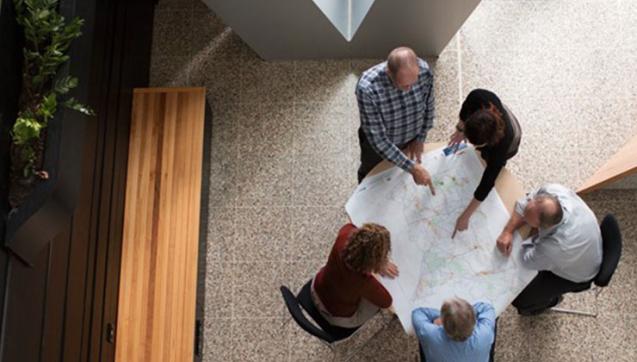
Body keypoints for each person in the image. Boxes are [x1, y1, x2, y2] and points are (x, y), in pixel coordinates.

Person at [496, 183, 603, 315]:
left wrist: (524, 233)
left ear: (541, 227)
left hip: (580, 273)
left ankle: (551, 301)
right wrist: (508, 231)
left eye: (528, 221)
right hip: (584, 247)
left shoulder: (555, 247)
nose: (523, 217)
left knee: (520, 299)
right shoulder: (554, 191)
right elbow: (523, 203)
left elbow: (526, 260)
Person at [355, 46, 436, 193]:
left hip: (411, 137)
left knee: (394, 177)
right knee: (370, 173)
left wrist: (420, 137)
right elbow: (378, 139)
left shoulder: (424, 71)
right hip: (378, 146)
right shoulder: (367, 88)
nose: (410, 89)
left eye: (414, 82)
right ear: (389, 73)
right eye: (404, 85)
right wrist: (413, 168)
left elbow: (429, 106)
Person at [449, 89, 522, 238]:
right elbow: (465, 111)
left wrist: (465, 216)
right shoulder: (478, 97)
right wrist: (460, 130)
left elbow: (487, 183)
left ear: (488, 143)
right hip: (497, 115)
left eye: (475, 145)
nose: (471, 146)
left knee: (492, 165)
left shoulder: (501, 146)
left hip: (511, 136)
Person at [311, 223, 399, 328]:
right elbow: (386, 301)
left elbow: (352, 225)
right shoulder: (362, 281)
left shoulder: (345, 233)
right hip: (336, 315)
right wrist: (378, 267)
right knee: (381, 300)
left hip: (317, 286)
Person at [412, 298, 496, 362]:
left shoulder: (430, 335)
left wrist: (446, 316)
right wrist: (464, 314)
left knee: (422, 335)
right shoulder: (484, 334)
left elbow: (417, 313)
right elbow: (487, 308)